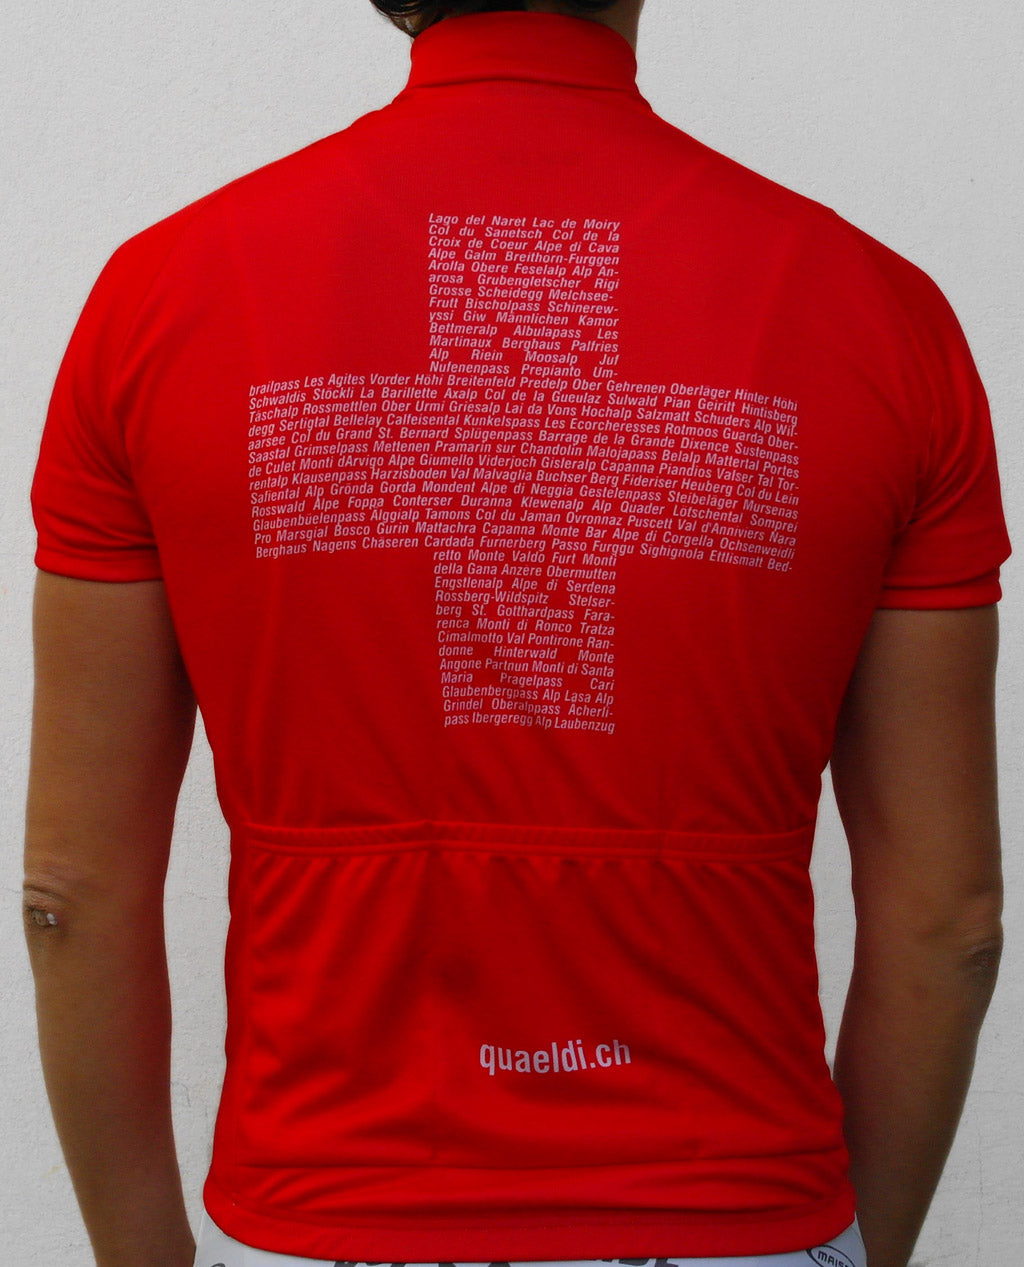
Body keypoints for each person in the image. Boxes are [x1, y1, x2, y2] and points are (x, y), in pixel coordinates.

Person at [23, 1, 1010, 1266]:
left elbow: (72, 896)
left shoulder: (159, 299)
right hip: (737, 1199)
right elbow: (948, 921)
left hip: (322, 1201)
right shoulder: (882, 312)